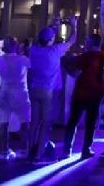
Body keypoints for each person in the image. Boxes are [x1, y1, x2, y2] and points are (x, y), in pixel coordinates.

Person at [28, 16, 77, 163]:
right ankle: (39, 155)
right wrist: (74, 26)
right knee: (45, 123)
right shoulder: (55, 50)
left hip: (34, 89)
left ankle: (30, 151)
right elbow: (72, 40)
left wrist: (53, 26)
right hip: (47, 91)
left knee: (34, 122)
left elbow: (42, 39)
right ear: (51, 40)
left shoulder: (33, 50)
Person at [63, 33, 104, 158]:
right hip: (96, 93)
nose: (85, 42)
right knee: (91, 123)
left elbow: (76, 74)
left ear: (92, 42)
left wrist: (66, 67)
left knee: (73, 122)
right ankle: (86, 149)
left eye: (87, 40)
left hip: (81, 93)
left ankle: (67, 150)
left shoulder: (85, 57)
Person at [0, 37, 31, 159]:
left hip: (4, 92)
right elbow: (32, 69)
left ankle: (4, 150)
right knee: (25, 122)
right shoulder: (23, 59)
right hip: (20, 93)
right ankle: (24, 148)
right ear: (15, 46)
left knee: (3, 123)